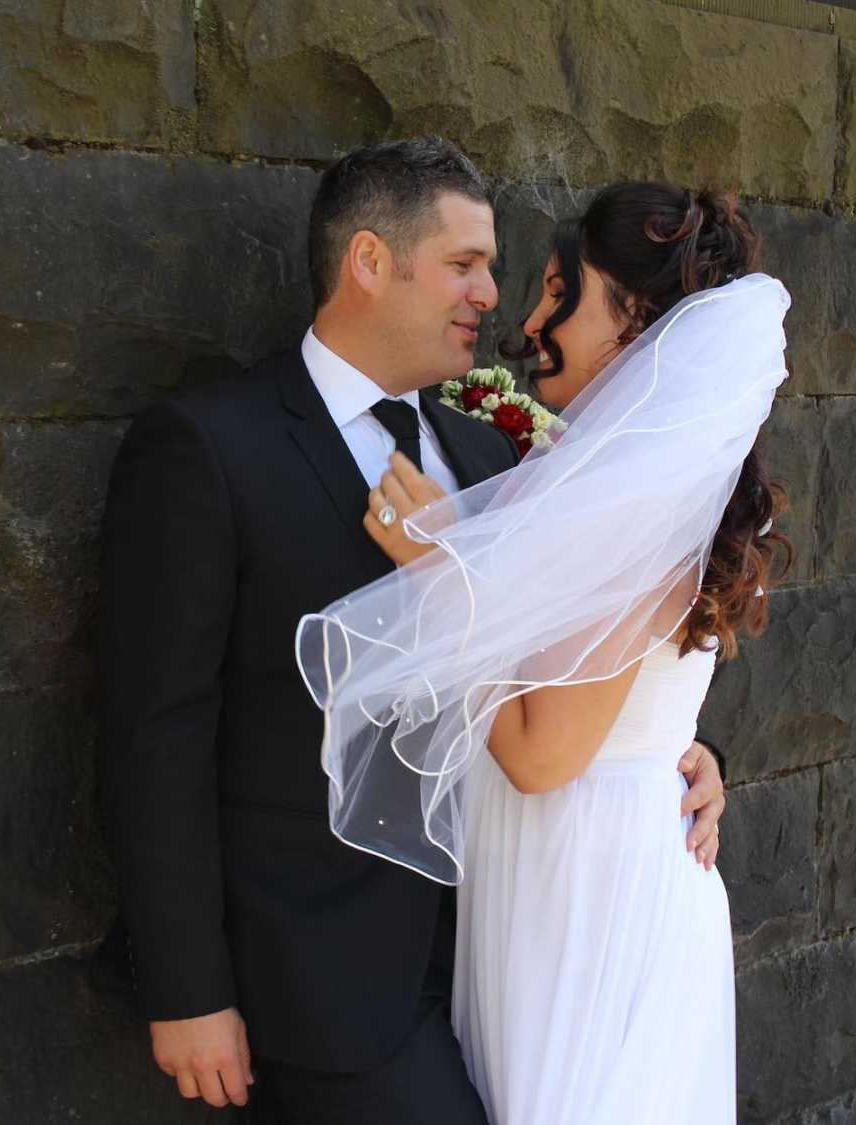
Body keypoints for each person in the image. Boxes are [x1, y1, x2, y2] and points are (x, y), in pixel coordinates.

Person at [98, 143, 725, 1124]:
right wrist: (187, 989)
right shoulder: (212, 449)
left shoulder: (486, 454)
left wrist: (679, 753)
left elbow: (563, 663)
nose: (490, 292)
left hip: (504, 957)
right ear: (369, 262)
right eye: (464, 263)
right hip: (314, 981)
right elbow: (154, 733)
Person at [300, 183, 791, 1123]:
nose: (526, 320)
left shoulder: (636, 509)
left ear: (634, 316)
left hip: (587, 893)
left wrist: (439, 569)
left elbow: (540, 754)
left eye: (561, 290)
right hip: (559, 874)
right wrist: (696, 758)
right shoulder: (602, 477)